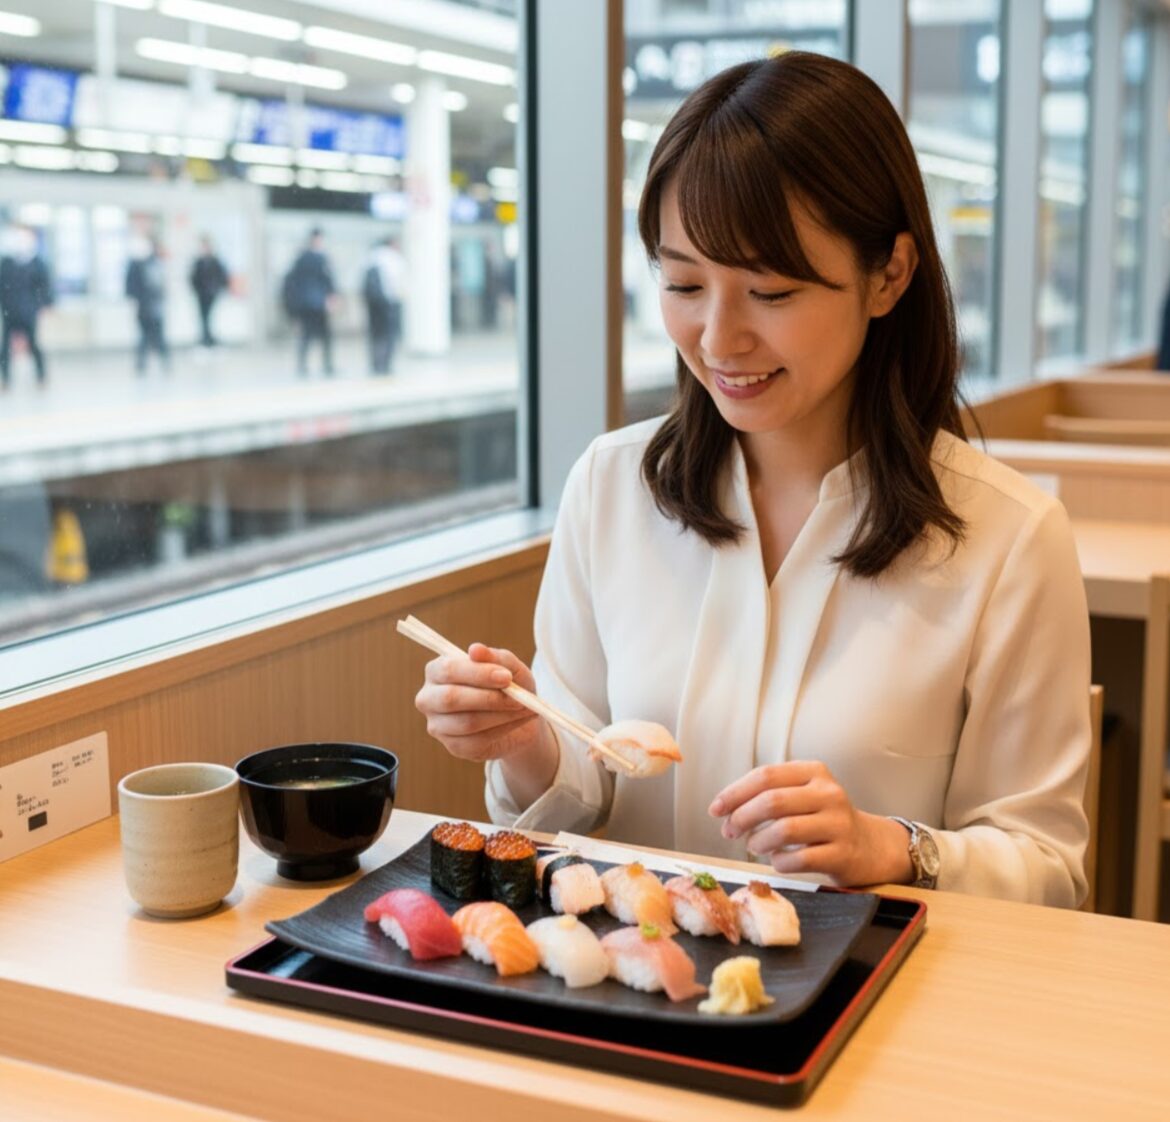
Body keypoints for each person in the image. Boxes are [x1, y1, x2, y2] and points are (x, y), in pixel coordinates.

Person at [413, 53, 1092, 908]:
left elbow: (1049, 870)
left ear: (889, 275)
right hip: (629, 994)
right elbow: (583, 792)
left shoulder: (1009, 540)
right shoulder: (612, 488)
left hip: (871, 1010)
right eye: (684, 283)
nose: (718, 339)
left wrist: (895, 849)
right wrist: (524, 738)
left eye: (769, 291)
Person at [0, 225, 53, 389]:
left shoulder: (38, 263)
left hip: (29, 310)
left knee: (34, 342)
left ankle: (41, 376)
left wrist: (45, 305)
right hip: (10, 309)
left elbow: (45, 287)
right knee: (5, 345)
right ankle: (5, 379)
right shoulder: (6, 263)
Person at [282, 228, 336, 377]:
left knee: (306, 336)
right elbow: (328, 281)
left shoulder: (300, 258)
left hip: (304, 304)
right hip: (318, 304)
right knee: (324, 336)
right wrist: (331, 298)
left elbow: (292, 282)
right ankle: (327, 365)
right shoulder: (321, 258)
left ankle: (302, 366)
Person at [125, 236, 170, 375]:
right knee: (145, 336)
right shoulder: (139, 265)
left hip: (155, 307)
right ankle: (144, 363)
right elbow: (132, 288)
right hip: (145, 307)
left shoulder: (157, 264)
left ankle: (164, 362)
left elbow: (162, 287)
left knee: (158, 336)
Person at [362, 237, 405, 375]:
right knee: (389, 334)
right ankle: (385, 364)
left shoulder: (371, 257)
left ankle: (375, 364)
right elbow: (400, 282)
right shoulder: (394, 258)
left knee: (375, 333)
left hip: (372, 303)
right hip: (389, 302)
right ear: (392, 244)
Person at [190, 235, 229, 348]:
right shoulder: (198, 262)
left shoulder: (215, 261)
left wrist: (218, 289)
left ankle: (209, 339)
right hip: (201, 295)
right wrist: (196, 290)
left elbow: (222, 276)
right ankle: (205, 339)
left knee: (209, 317)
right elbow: (193, 278)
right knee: (203, 317)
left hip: (212, 294)